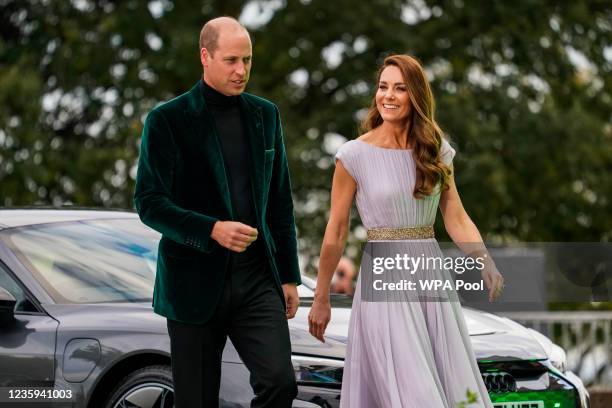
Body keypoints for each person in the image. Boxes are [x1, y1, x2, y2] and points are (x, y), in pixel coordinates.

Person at [308, 54, 504, 407]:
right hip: (383, 278)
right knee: (415, 393)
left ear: (415, 95)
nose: (389, 96)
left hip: (429, 277)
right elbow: (336, 231)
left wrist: (483, 259)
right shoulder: (353, 156)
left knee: (447, 384)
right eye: (383, 87)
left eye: (399, 88)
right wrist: (321, 297)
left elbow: (456, 217)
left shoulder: (435, 151)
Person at [134, 16, 301, 408]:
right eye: (231, 60)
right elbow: (149, 202)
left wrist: (290, 275)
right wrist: (211, 229)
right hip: (193, 283)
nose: (241, 70)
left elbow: (280, 201)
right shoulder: (166, 120)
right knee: (196, 400)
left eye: (247, 60)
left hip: (257, 278)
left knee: (280, 383)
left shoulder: (266, 115)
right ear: (205, 56)